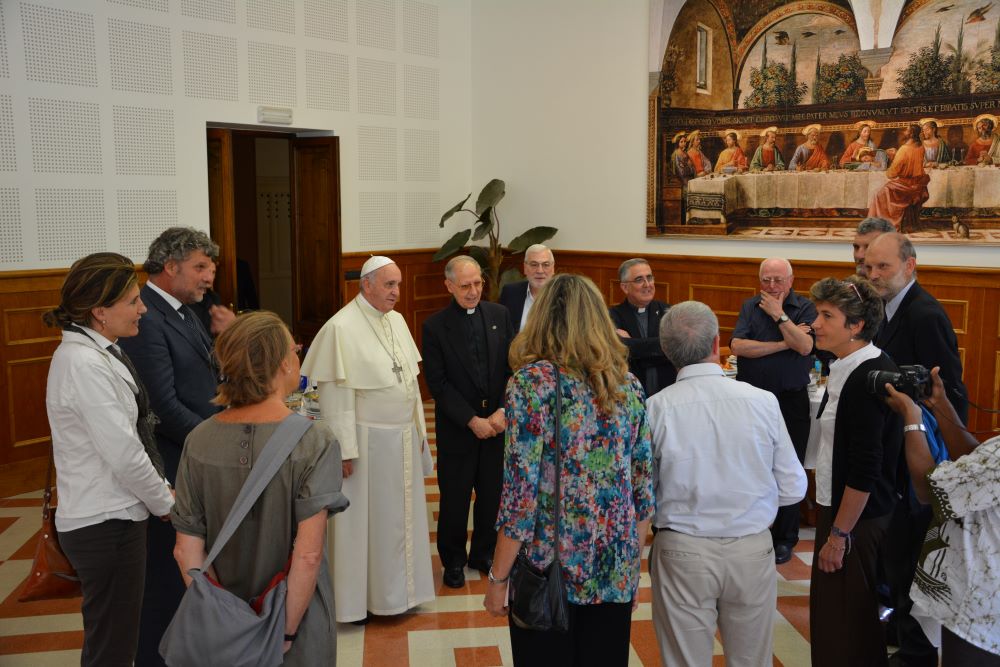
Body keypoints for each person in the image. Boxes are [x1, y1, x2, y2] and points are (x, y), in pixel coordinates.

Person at [483, 274, 654, 666]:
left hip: (548, 572)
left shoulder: (531, 385)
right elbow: (643, 494)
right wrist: (631, 572)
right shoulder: (627, 385)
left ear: (543, 319)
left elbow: (520, 499)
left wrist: (498, 579)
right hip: (613, 567)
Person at [172, 311, 349, 665]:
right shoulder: (314, 440)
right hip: (296, 615)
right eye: (294, 348)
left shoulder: (198, 439)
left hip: (225, 619)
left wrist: (220, 617)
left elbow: (185, 550)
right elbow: (309, 554)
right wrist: (285, 631)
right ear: (284, 364)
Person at [647, 300, 806, 666]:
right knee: (751, 660)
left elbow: (644, 492)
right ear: (718, 342)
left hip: (682, 548)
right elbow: (794, 488)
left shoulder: (655, 407)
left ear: (667, 352)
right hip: (750, 546)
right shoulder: (762, 402)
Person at [43, 252, 174, 667]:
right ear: (100, 311)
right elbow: (124, 452)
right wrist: (166, 502)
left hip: (114, 514)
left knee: (118, 638)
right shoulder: (83, 362)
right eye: (133, 301)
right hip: (105, 522)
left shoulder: (100, 351)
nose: (143, 309)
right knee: (112, 647)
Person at [300, 255, 434, 623]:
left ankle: (402, 594)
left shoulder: (398, 321)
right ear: (366, 285)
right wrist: (343, 449)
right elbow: (334, 399)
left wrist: (420, 431)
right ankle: (358, 603)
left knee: (400, 521)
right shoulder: (340, 329)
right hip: (366, 444)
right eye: (389, 285)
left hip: (402, 441)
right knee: (363, 526)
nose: (396, 293)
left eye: (399, 286)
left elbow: (409, 383)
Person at [118, 226, 227, 666]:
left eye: (210, 268)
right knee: (165, 578)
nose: (208, 278)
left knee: (191, 570)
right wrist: (213, 444)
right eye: (200, 267)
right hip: (174, 465)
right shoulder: (145, 319)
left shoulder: (184, 311)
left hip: (195, 457)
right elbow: (161, 404)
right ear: (170, 266)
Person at [865, 232, 968, 667]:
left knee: (911, 555)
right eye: (868, 267)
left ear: (910, 265)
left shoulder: (925, 314)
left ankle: (917, 652)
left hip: (919, 459)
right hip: (895, 452)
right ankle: (900, 633)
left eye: (882, 267)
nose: (873, 275)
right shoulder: (884, 310)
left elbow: (951, 394)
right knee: (895, 554)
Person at [808, 275, 903, 667]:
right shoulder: (848, 365)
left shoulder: (868, 375)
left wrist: (838, 535)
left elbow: (867, 467)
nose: (815, 323)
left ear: (857, 326)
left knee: (847, 623)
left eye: (827, 315)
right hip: (844, 510)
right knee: (839, 619)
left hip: (857, 518)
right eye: (817, 313)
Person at [884, 368, 1000, 665]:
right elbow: (977, 462)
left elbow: (928, 489)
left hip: (980, 609)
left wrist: (912, 419)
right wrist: (942, 407)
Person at [422, 256, 514, 589]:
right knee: (455, 498)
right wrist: (472, 420)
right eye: (465, 286)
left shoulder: (499, 315)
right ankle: (454, 561)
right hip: (459, 428)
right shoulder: (435, 326)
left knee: (492, 495)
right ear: (448, 286)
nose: (473, 291)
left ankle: (483, 554)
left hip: (497, 425)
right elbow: (438, 383)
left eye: (477, 283)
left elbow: (511, 369)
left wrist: (503, 411)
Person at [730, 258, 816, 564]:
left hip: (791, 399)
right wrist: (784, 343)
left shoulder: (805, 308)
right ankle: (754, 529)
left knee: (788, 466)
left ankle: (784, 537)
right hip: (751, 399)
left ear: (791, 281)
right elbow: (738, 347)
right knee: (752, 464)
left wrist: (780, 317)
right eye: (766, 280)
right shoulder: (749, 306)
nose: (771, 286)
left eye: (778, 280)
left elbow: (805, 347)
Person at [609, 258, 676, 398]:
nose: (647, 284)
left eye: (649, 278)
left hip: (667, 393)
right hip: (629, 395)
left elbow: (675, 346)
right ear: (625, 287)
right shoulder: (612, 316)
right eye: (639, 279)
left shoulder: (668, 311)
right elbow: (618, 349)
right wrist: (660, 347)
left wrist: (633, 347)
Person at [868, 124, 929, 231]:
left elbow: (891, 174)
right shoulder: (921, 147)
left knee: (879, 194)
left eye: (906, 130)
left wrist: (894, 157)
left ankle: (881, 225)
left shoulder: (904, 149)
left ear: (910, 134)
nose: (904, 132)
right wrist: (898, 155)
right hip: (916, 184)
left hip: (904, 185)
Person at [499, 244, 555, 332]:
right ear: (525, 268)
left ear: (553, 268)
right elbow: (502, 331)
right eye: (534, 265)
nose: (540, 271)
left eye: (545, 265)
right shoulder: (510, 292)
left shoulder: (564, 296)